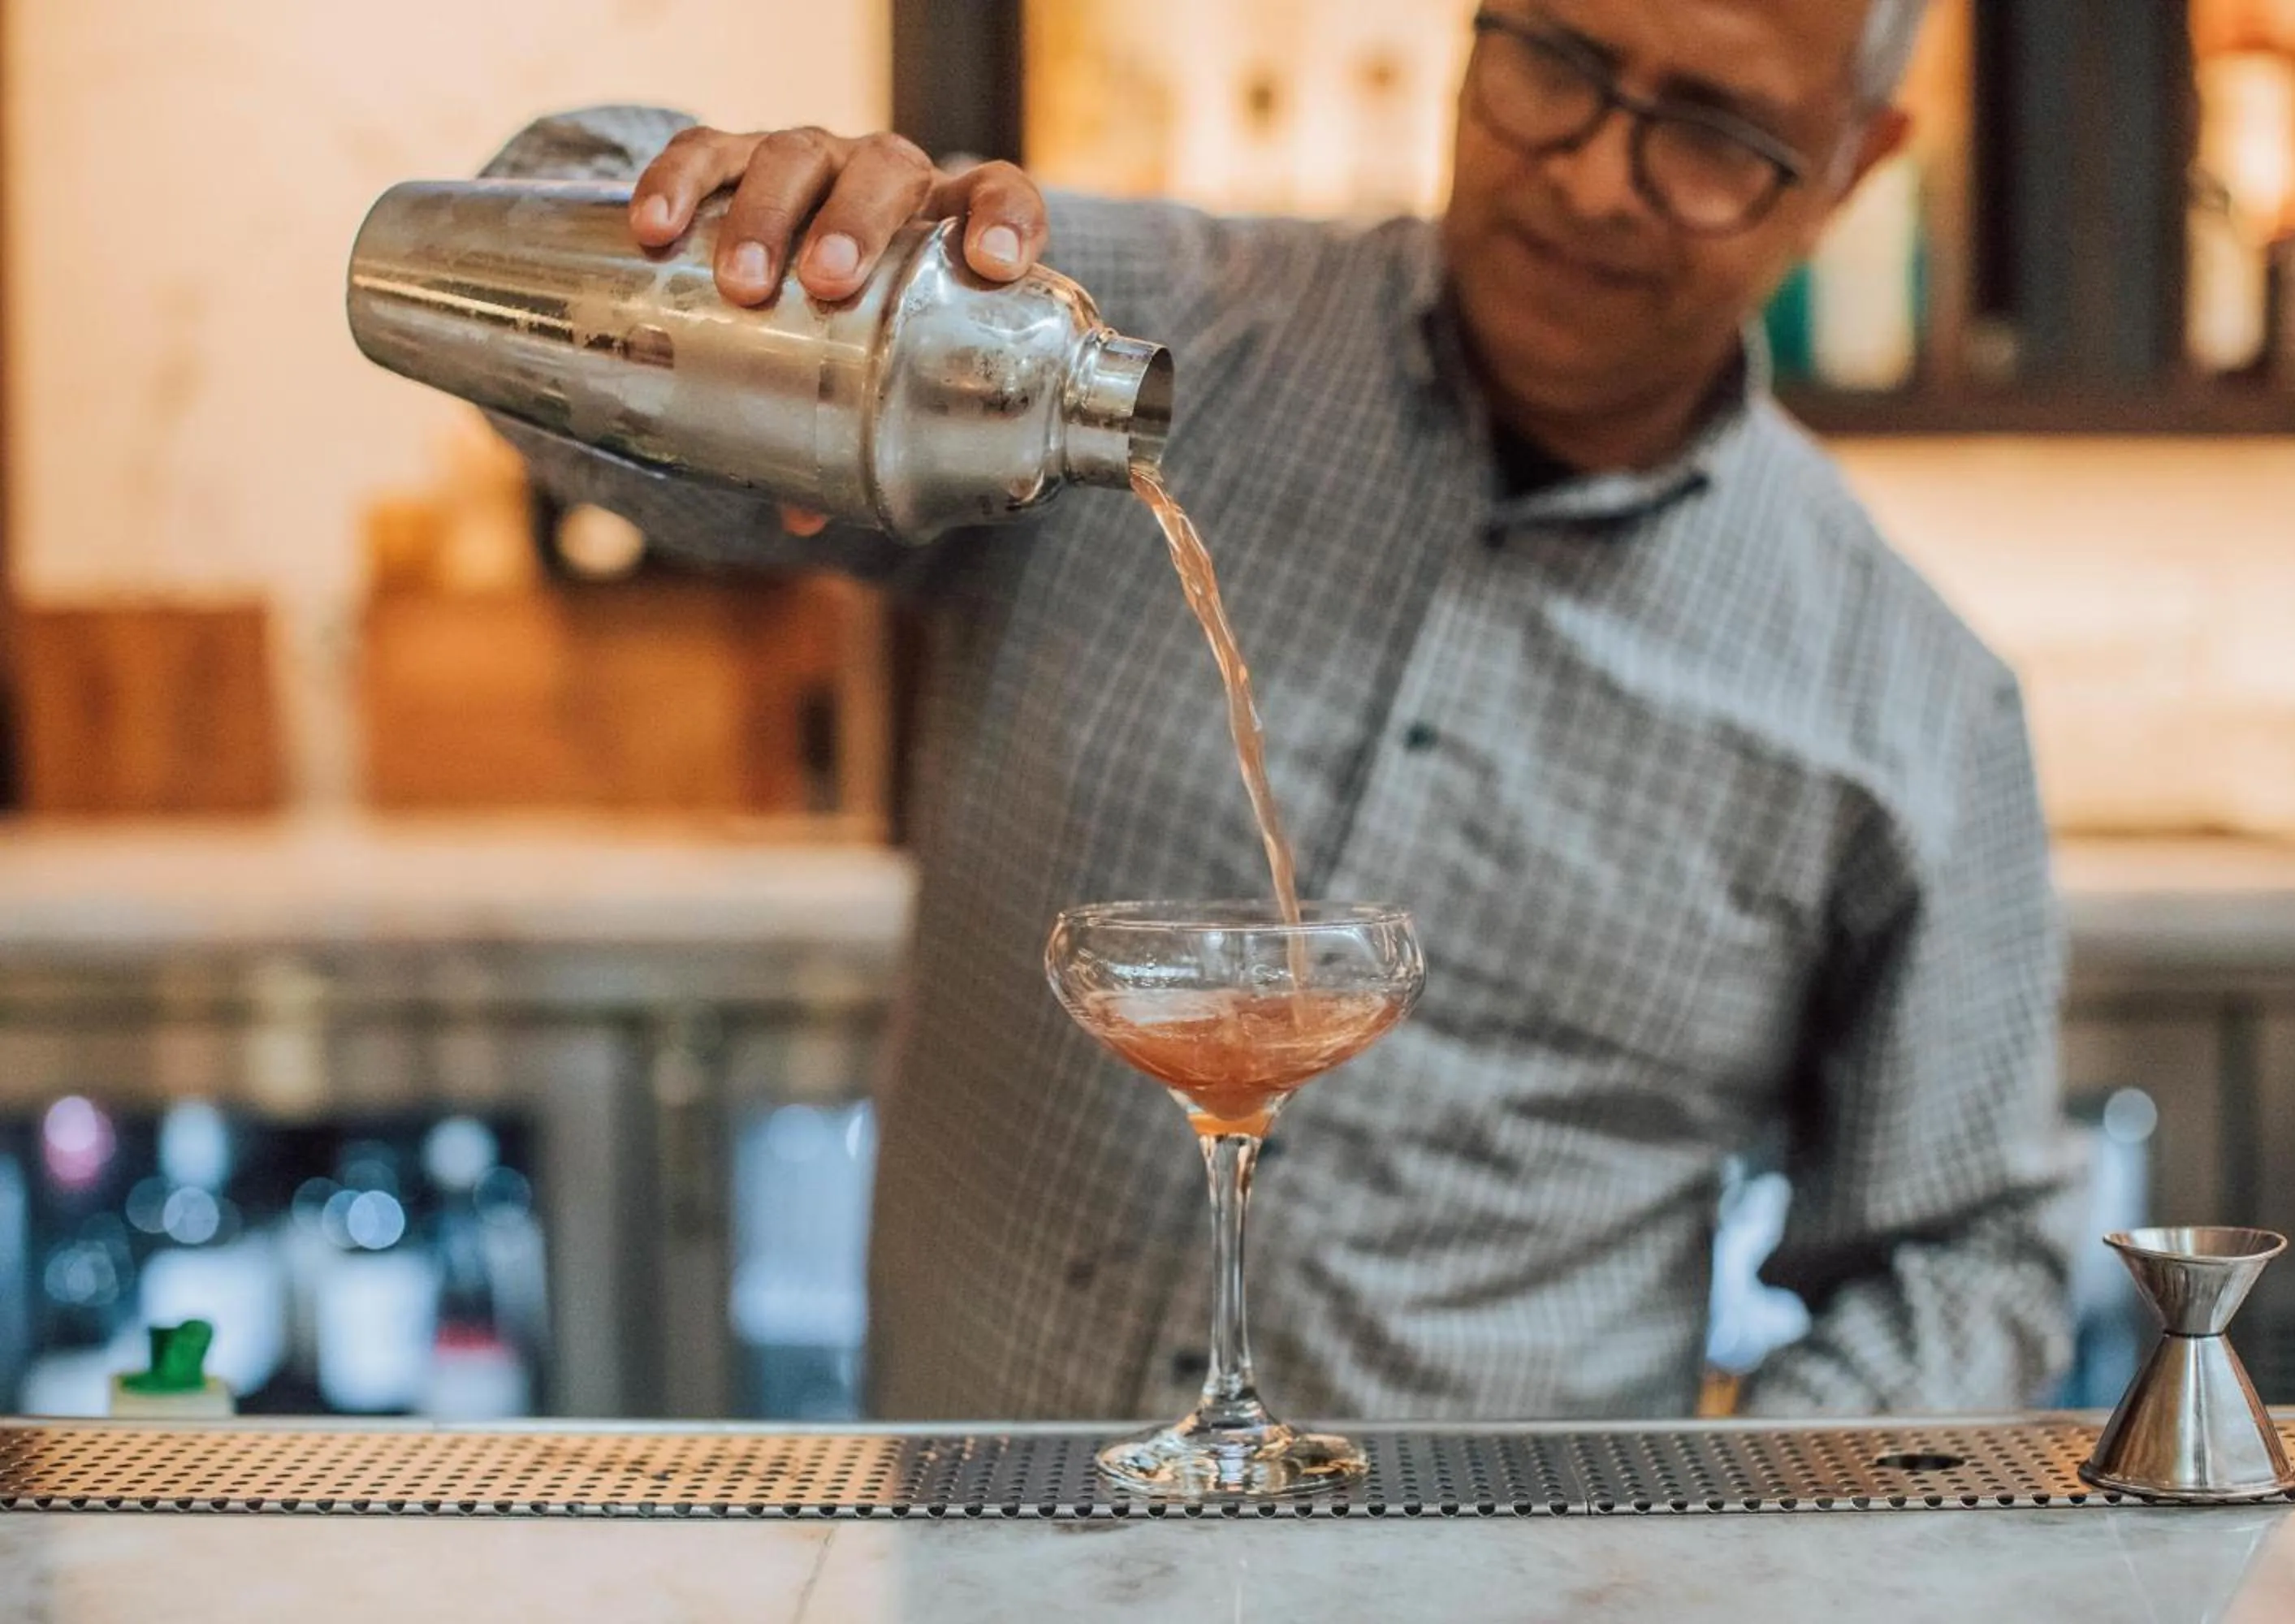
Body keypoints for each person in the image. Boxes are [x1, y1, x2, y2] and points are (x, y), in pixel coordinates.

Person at [487, 0, 2083, 1423]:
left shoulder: (1910, 701)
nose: (1598, 176)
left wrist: (1720, 1538)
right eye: (1559, 65)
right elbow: (552, 373)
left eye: (1714, 137)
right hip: (981, 1561)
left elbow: (1967, 1259)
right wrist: (738, 226)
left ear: (1857, 162)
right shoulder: (1093, 339)